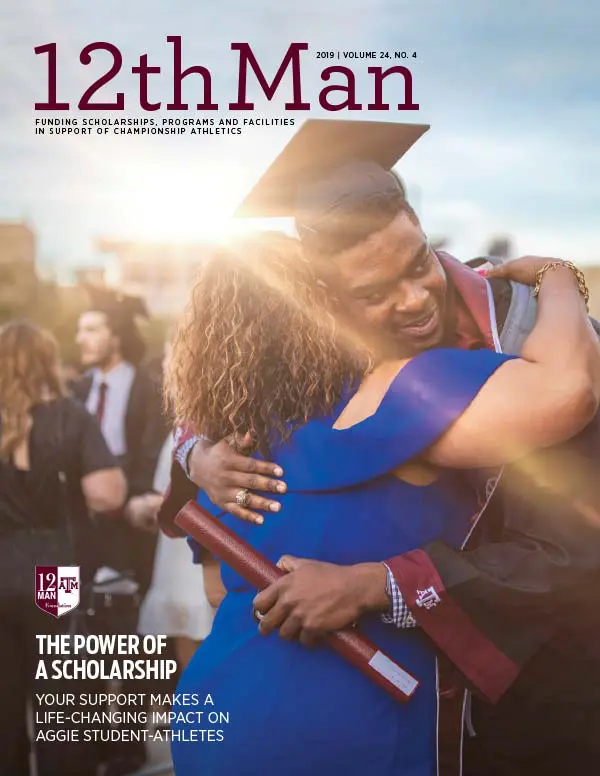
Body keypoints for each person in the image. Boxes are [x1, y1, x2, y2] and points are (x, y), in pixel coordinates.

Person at [163, 120, 600, 775]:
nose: (414, 299)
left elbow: (576, 548)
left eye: (418, 261)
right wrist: (195, 451)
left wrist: (381, 584)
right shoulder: (328, 377)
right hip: (381, 712)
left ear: (419, 224)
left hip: (527, 699)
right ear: (321, 302)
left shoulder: (540, 335)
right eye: (371, 294)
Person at [0, 321, 126, 776]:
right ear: (46, 361)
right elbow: (108, 495)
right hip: (53, 569)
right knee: (64, 703)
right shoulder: (71, 416)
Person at [73, 287, 167, 775]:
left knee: (129, 639)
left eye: (91, 329)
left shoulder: (149, 388)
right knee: (67, 630)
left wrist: (122, 496)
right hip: (73, 536)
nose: (80, 338)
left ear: (115, 335)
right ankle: (80, 742)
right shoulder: (73, 390)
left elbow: (152, 453)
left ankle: (126, 743)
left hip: (130, 531)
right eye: (79, 329)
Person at [134, 341, 215, 672]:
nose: (166, 363)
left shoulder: (210, 418)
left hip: (199, 547)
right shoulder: (180, 416)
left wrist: (142, 506)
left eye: (172, 355)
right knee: (183, 634)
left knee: (203, 639)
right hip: (177, 551)